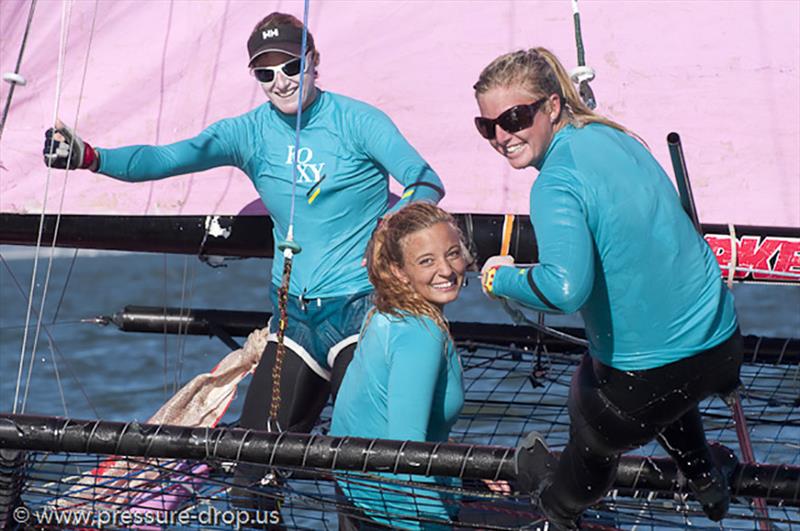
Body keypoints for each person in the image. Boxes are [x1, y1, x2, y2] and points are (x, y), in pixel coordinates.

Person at [43, 11, 445, 512]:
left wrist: (395, 221)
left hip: (359, 313)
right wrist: (88, 156)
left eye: (291, 66)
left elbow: (425, 179)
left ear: (314, 61)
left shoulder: (358, 121)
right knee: (251, 473)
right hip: (294, 320)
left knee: (361, 465)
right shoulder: (249, 132)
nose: (280, 81)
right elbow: (167, 158)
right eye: (265, 72)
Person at [473, 48, 743, 530]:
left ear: (551, 106)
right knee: (658, 384)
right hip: (723, 346)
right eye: (486, 125)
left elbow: (565, 290)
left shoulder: (554, 183)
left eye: (514, 117)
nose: (501, 135)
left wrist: (500, 278)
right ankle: (705, 478)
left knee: (591, 409)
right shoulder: (612, 134)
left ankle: (559, 508)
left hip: (646, 382)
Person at [329, 202, 469, 530]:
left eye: (452, 253)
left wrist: (464, 464)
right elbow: (405, 451)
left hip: (356, 496)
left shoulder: (385, 314)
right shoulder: (423, 333)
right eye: (426, 261)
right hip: (399, 512)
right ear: (398, 271)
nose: (446, 270)